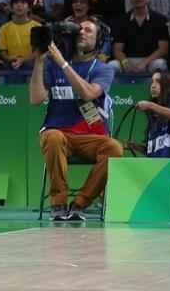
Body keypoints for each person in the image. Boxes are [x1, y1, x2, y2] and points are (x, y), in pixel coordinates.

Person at [31, 19, 122, 221]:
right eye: (79, 29)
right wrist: (39, 61)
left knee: (114, 148)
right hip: (58, 133)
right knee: (53, 137)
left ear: (98, 40)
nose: (82, 32)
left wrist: (62, 62)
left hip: (89, 137)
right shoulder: (52, 65)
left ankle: (80, 204)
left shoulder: (103, 69)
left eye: (89, 30)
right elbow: (36, 99)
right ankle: (58, 203)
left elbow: (88, 93)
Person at [111, 0, 170, 74]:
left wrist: (144, 63)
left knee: (159, 64)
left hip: (150, 61)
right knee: (112, 65)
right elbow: (117, 50)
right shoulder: (122, 20)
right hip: (128, 60)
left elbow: (163, 49)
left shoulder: (160, 19)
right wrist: (126, 63)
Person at [133, 71, 170, 158]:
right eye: (152, 82)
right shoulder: (153, 116)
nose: (153, 86)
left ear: (168, 85)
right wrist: (137, 147)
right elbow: (154, 152)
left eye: (158, 81)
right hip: (159, 165)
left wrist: (150, 105)